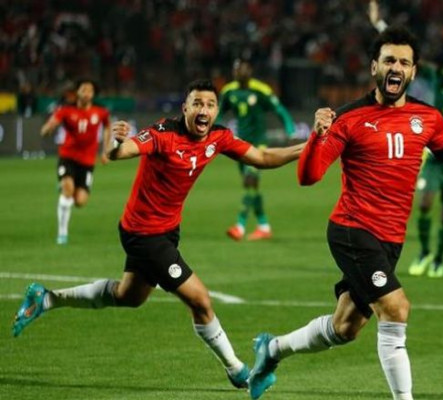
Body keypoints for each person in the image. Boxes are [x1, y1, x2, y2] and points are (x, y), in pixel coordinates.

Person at [246, 26, 443, 400]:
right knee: (395, 308)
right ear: (374, 67)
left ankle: (272, 350)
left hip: (390, 240)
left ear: (413, 72)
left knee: (345, 327)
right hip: (352, 229)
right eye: (389, 60)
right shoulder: (348, 118)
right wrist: (317, 135)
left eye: (404, 62)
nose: (397, 67)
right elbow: (308, 177)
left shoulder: (427, 118)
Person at [12, 79, 305, 390]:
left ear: (217, 111)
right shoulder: (163, 134)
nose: (203, 110)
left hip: (166, 232)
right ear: (185, 108)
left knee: (129, 296)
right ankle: (239, 372)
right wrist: (114, 144)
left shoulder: (218, 137)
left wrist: (307, 147)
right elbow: (123, 151)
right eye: (197, 103)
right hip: (144, 233)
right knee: (200, 300)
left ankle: (46, 299)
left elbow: (263, 158)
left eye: (210, 105)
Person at [368, 0, 443, 277]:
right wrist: (378, 24)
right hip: (434, 157)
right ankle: (424, 252)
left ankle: (439, 258)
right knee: (424, 204)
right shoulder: (439, 79)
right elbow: (405, 53)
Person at [219, 57, 296, 241]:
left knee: (250, 179)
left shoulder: (261, 90)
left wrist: (290, 128)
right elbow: (219, 114)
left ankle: (240, 225)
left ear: (250, 71)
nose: (241, 72)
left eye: (244, 68)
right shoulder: (228, 91)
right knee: (251, 187)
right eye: (238, 68)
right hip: (239, 145)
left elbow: (279, 109)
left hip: (258, 143)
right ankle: (263, 225)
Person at [40, 79, 112, 245]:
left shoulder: (101, 112)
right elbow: (50, 125)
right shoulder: (66, 110)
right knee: (68, 190)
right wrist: (47, 129)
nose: (86, 93)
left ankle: (64, 185)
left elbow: (108, 127)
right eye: (83, 89)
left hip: (87, 162)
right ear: (77, 92)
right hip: (68, 157)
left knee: (80, 201)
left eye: (90, 90)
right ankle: (62, 234)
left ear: (93, 94)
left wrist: (106, 150)